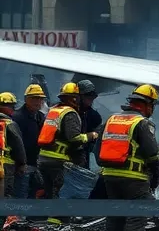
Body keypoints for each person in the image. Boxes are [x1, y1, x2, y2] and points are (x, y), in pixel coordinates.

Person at [97, 85, 159, 231]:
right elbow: (152, 154)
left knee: (115, 214)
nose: (152, 110)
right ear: (146, 104)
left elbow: (98, 147)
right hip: (134, 177)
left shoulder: (111, 119)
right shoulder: (141, 123)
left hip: (109, 175)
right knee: (137, 213)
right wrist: (156, 176)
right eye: (153, 105)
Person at [36, 82, 97, 223]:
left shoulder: (53, 111)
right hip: (58, 161)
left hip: (44, 159)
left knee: (51, 193)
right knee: (61, 194)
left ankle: (50, 224)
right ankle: (57, 225)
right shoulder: (69, 113)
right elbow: (74, 138)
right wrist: (91, 135)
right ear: (74, 98)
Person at [11, 83, 46, 200]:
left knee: (34, 193)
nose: (38, 101)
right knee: (20, 194)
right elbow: (15, 143)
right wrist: (20, 163)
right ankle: (17, 217)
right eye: (34, 98)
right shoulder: (17, 117)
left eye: (40, 99)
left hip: (37, 163)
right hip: (22, 165)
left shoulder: (41, 117)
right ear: (26, 99)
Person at [1, 92, 28, 198]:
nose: (13, 109)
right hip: (5, 167)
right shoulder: (10, 124)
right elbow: (18, 145)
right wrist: (22, 163)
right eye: (12, 106)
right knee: (6, 193)